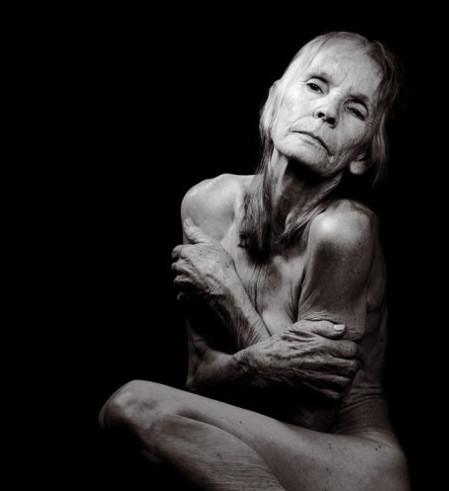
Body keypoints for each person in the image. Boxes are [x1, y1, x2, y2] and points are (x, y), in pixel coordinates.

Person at [99, 31, 409, 490]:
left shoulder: (343, 231)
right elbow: (200, 381)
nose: (327, 111)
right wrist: (268, 361)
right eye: (315, 86)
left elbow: (308, 415)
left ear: (362, 154)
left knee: (135, 405)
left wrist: (229, 298)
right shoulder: (206, 205)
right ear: (272, 102)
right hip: (259, 448)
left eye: (355, 109)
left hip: (354, 462)